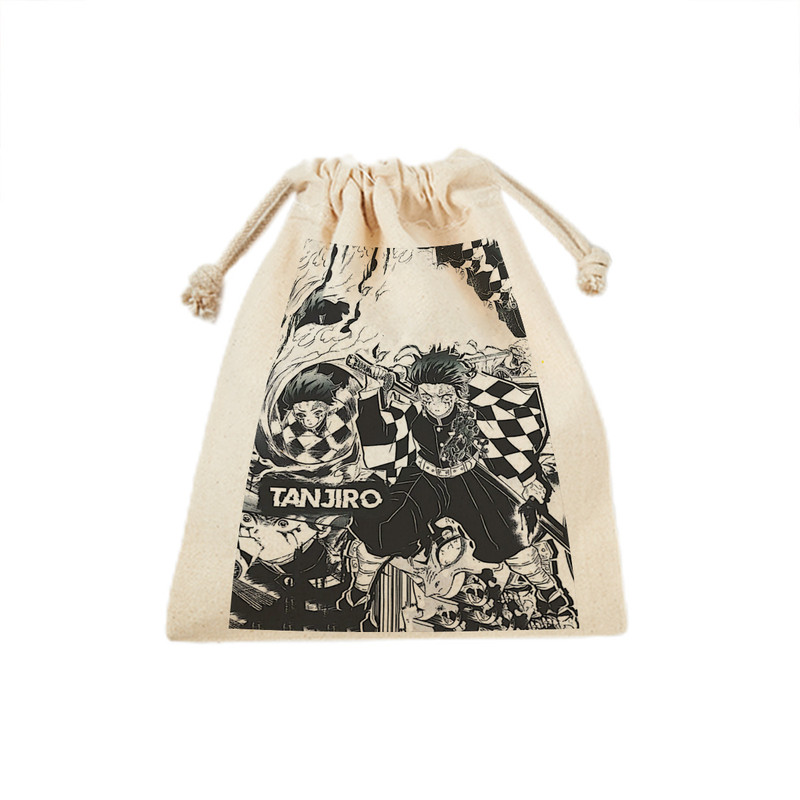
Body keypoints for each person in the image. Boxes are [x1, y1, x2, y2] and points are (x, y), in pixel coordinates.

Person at [347, 347, 575, 626]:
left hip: (469, 479)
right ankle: (360, 589)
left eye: (444, 396)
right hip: (424, 479)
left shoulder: (474, 413)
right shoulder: (411, 409)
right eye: (427, 397)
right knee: (385, 529)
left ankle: (550, 591)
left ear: (457, 392)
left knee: (509, 536)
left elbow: (508, 438)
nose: (436, 404)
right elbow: (380, 433)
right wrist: (381, 389)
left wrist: (529, 478)